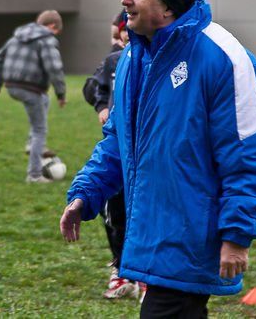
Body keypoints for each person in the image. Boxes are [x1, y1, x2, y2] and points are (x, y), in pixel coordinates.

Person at [60, 0, 256, 318]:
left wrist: (237, 235)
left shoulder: (226, 58)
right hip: (151, 231)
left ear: (168, 6)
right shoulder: (133, 57)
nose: (125, 0)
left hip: (192, 234)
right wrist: (86, 192)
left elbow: (245, 155)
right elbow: (117, 142)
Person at [91, 19, 142, 300]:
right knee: (114, 211)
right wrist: (101, 106)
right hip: (118, 147)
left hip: (150, 152)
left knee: (146, 211)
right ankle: (121, 270)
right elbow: (93, 88)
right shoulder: (114, 61)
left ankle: (147, 277)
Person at [0, 10, 67, 183]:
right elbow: (54, 68)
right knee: (40, 130)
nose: (56, 35)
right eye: (57, 32)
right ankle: (34, 175)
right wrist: (61, 93)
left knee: (44, 100)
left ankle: (32, 144)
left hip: (12, 86)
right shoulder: (47, 39)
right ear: (52, 26)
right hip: (31, 88)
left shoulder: (16, 37)